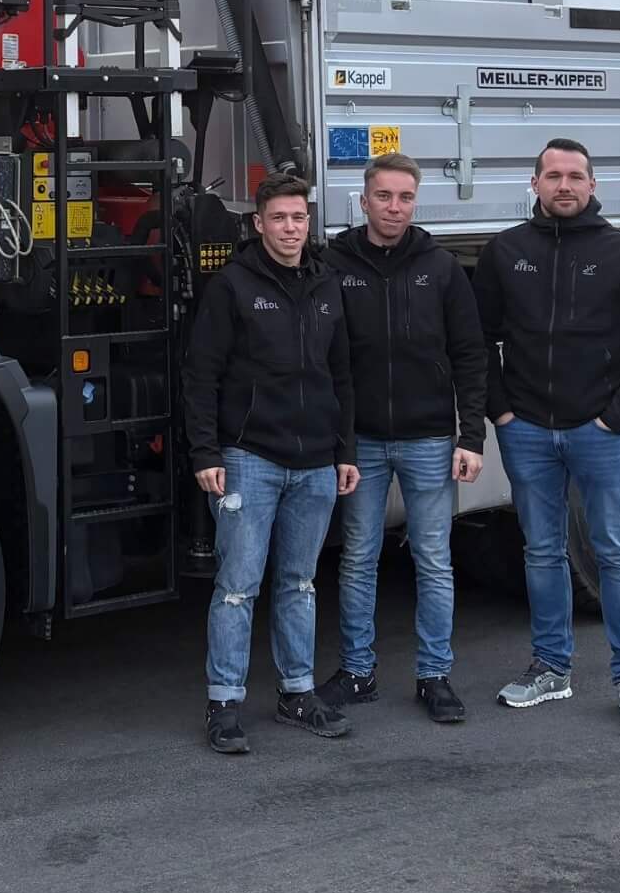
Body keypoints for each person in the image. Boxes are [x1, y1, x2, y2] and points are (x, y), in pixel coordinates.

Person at [475, 138, 620, 730]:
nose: (564, 186)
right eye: (553, 176)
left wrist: (617, 417)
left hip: (601, 433)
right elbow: (475, 340)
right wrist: (502, 411)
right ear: (534, 184)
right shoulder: (505, 253)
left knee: (616, 553)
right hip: (528, 431)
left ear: (593, 186)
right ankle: (551, 670)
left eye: (575, 177)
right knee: (541, 552)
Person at [185, 169, 359, 755]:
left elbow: (342, 376)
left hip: (314, 461)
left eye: (300, 217)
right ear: (258, 224)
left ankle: (297, 693)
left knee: (301, 582)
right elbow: (201, 374)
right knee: (237, 584)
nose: (291, 228)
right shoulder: (233, 286)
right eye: (280, 218)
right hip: (248, 458)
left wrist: (344, 452)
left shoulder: (327, 284)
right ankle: (224, 703)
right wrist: (207, 452)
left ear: (310, 223)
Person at [315, 153, 488, 724]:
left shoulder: (441, 269)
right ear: (363, 201)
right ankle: (358, 672)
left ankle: (434, 675)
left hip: (430, 439)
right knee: (359, 557)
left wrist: (472, 437)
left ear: (416, 203)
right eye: (384, 197)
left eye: (405, 198)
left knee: (434, 559)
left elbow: (469, 355)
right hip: (361, 440)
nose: (394, 207)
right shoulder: (334, 265)